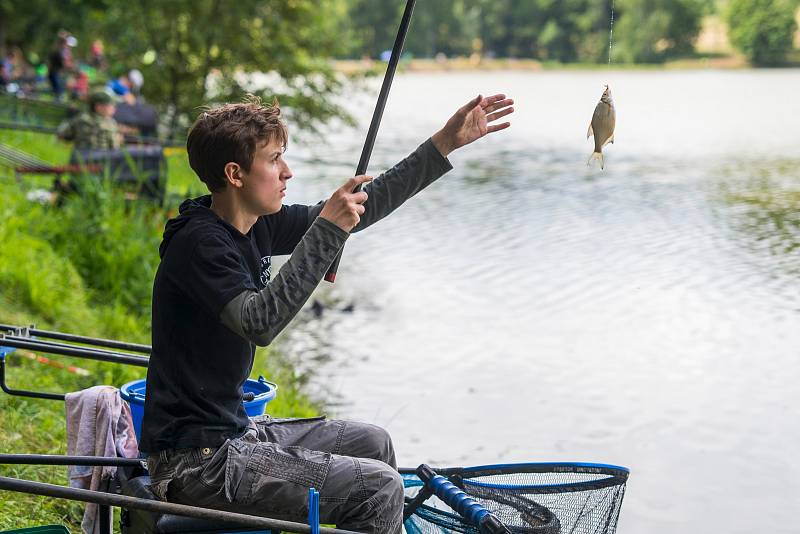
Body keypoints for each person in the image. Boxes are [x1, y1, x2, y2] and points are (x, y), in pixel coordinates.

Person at [140, 92, 514, 533]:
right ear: (234, 174)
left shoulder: (254, 224)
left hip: (235, 432)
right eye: (275, 159)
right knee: (379, 488)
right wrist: (326, 232)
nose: (287, 171)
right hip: (196, 464)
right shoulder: (200, 244)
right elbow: (259, 322)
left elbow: (361, 208)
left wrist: (443, 144)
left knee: (373, 442)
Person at [57, 89, 121, 150]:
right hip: (98, 158)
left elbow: (63, 135)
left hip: (81, 157)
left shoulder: (81, 118)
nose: (113, 108)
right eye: (110, 105)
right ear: (98, 107)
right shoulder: (108, 123)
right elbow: (114, 148)